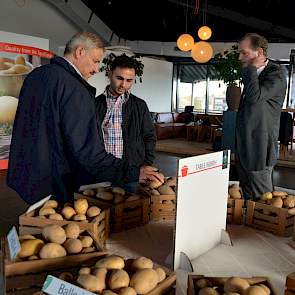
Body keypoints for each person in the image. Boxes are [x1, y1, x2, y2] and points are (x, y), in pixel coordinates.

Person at [7, 32, 163, 206]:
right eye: (96, 61)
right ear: (80, 52)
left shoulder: (35, 76)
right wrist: (133, 172)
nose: (96, 69)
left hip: (27, 175)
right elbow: (88, 152)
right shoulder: (75, 89)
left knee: (36, 222)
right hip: (55, 180)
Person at [236, 33, 287, 200]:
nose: (240, 57)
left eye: (244, 53)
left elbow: (254, 97)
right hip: (244, 145)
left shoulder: (276, 73)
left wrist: (250, 68)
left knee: (263, 204)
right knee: (247, 199)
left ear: (258, 52)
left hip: (260, 147)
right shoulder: (252, 72)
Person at [95, 54, 156, 192]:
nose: (124, 85)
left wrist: (146, 164)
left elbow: (149, 137)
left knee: (130, 211)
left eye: (129, 80)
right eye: (119, 78)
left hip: (131, 172)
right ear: (109, 73)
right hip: (102, 172)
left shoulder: (139, 105)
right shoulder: (94, 104)